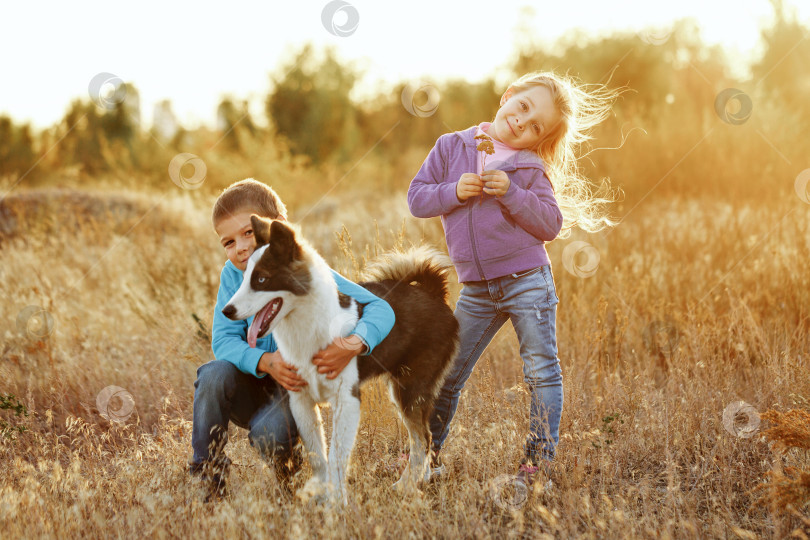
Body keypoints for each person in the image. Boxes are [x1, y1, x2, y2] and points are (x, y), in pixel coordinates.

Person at [407, 71, 618, 489]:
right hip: (477, 290)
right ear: (508, 96)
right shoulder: (452, 147)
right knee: (446, 372)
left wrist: (512, 193)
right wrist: (453, 191)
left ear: (538, 140)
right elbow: (418, 197)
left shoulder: (528, 166)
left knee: (541, 371)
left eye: (535, 125)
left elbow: (550, 224)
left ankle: (536, 466)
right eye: (522, 107)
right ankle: (423, 458)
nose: (522, 122)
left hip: (527, 280)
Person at [189, 178, 395, 500]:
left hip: (294, 391)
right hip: (252, 382)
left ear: (277, 229)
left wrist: (353, 343)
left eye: (248, 233)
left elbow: (380, 308)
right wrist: (265, 361)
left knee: (267, 434)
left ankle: (291, 472)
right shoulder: (232, 278)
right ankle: (207, 477)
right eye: (228, 242)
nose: (241, 247)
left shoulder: (307, 271)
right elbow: (224, 341)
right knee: (213, 374)